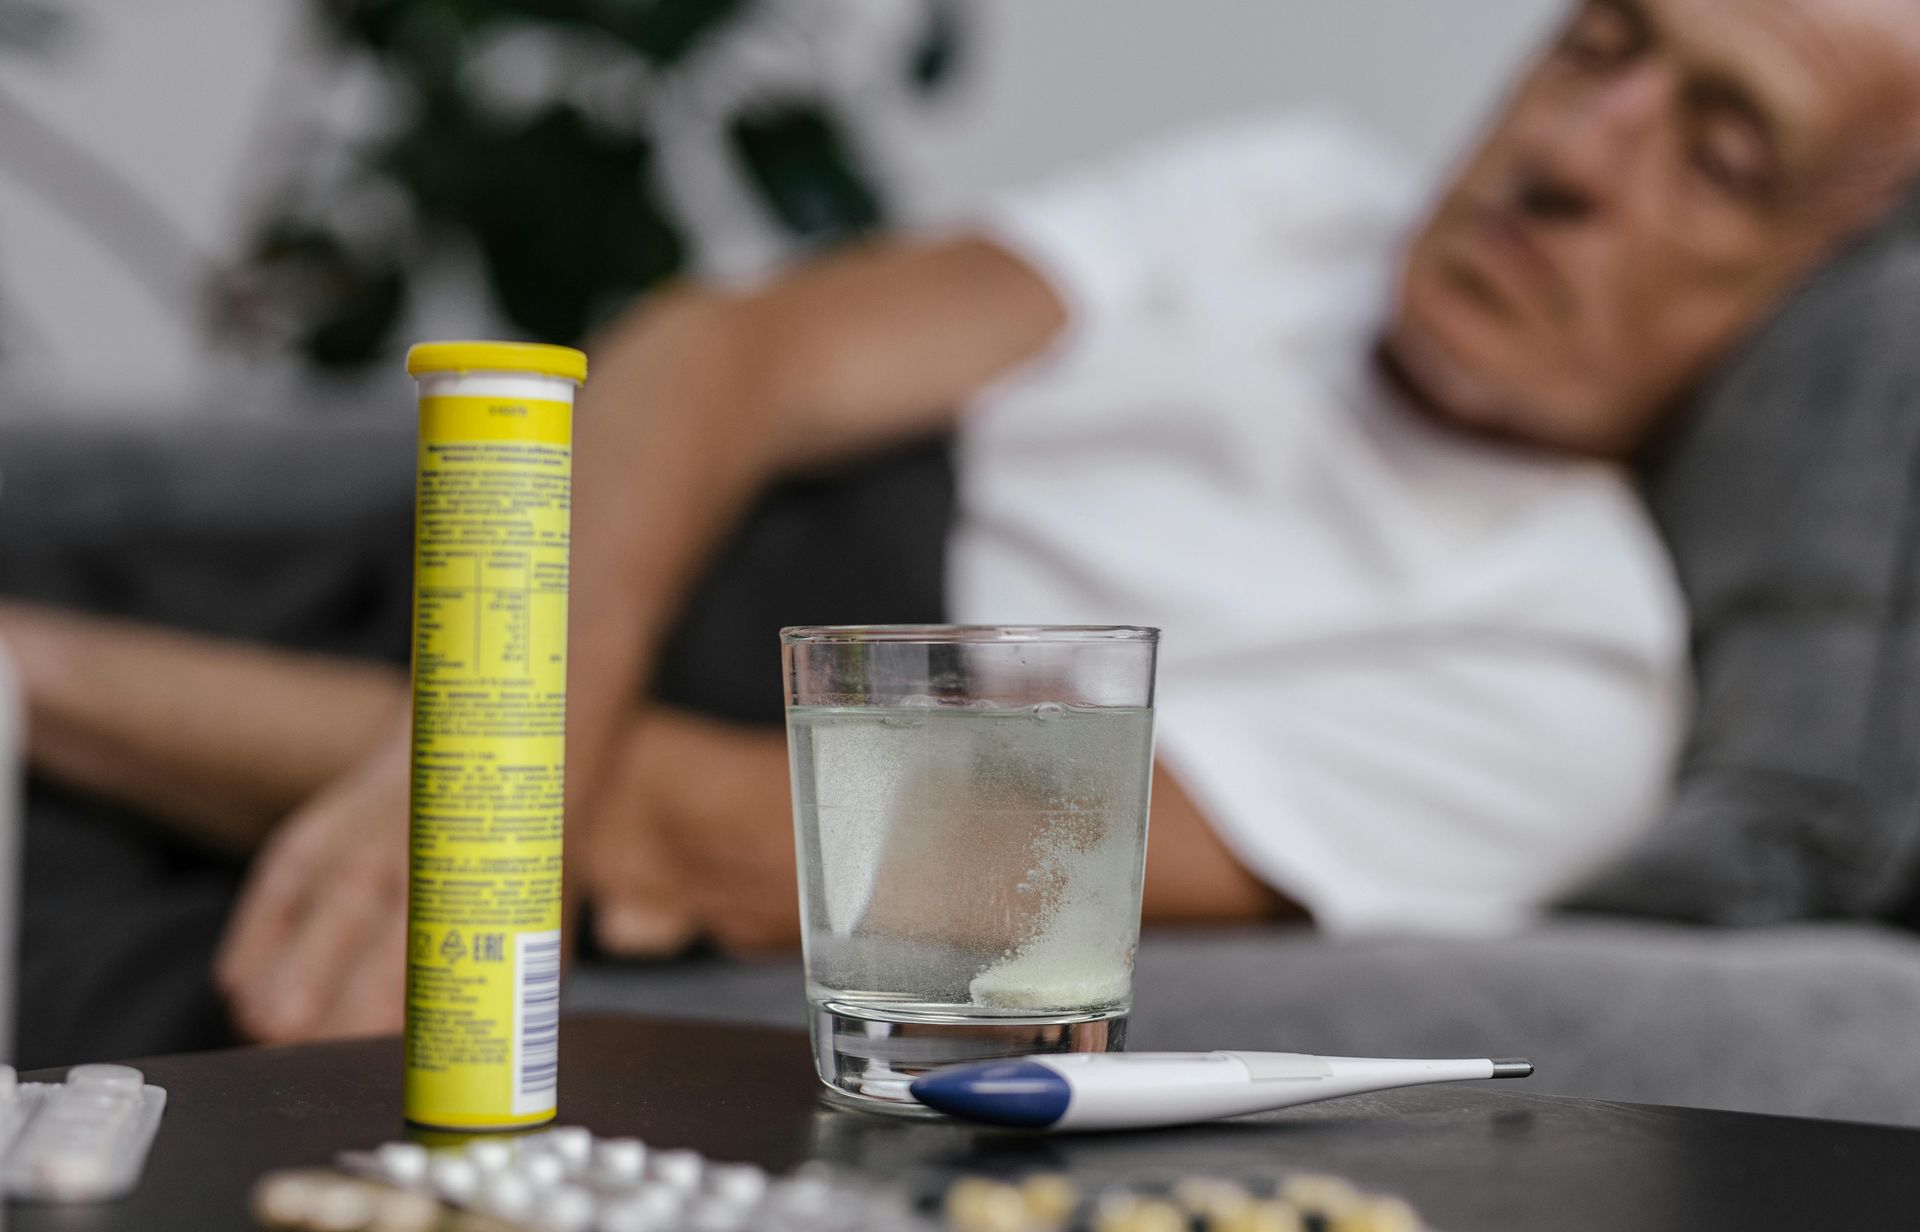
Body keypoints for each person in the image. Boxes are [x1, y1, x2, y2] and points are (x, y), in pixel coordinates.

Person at [7, 0, 1920, 1048]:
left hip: (444, 835)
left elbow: (827, 853)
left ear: (1814, 289)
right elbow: (731, 353)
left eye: (1719, 150)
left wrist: (42, 685)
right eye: (1601, 47)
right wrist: (492, 730)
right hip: (441, 659)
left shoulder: (1554, 676)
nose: (1572, 157)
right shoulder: (1299, 198)